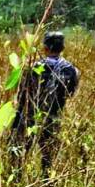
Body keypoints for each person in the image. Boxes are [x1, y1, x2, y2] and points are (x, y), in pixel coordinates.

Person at [12, 29, 79, 174]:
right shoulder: (72, 70)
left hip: (29, 118)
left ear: (45, 47)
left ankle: (15, 182)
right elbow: (71, 94)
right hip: (53, 120)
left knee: (18, 154)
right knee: (48, 160)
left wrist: (17, 119)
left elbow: (22, 95)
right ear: (63, 48)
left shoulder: (33, 67)